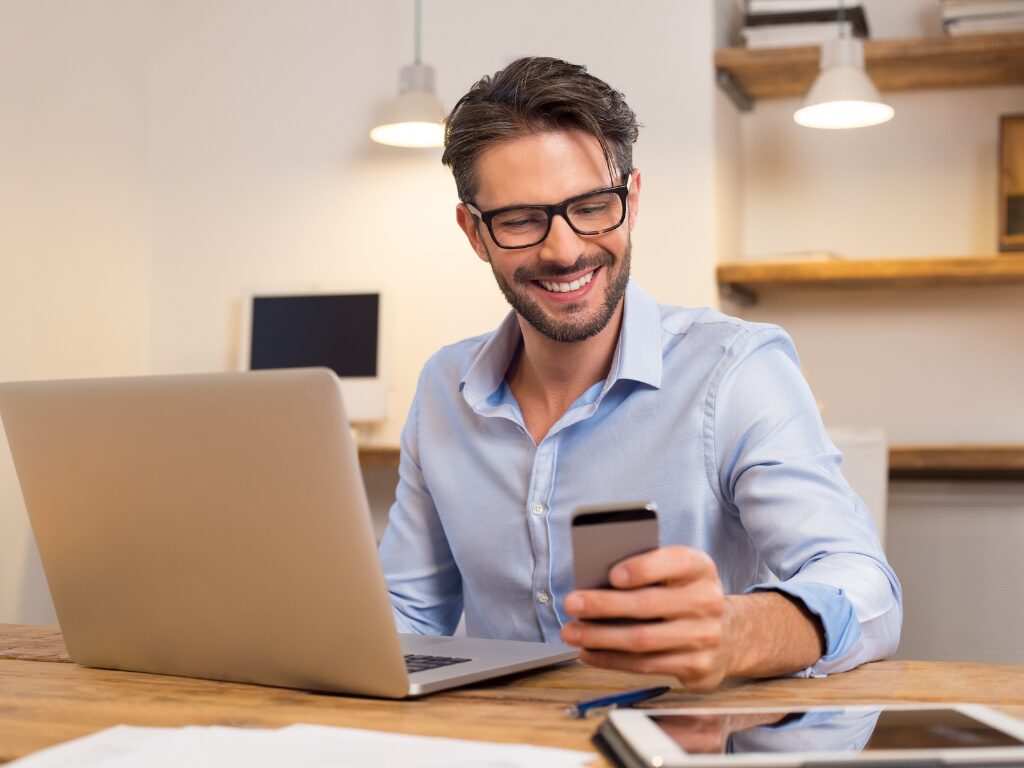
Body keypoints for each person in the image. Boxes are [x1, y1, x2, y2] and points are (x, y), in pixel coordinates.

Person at [378, 56, 901, 691]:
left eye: (593, 206)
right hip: (501, 747)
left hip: (686, 747)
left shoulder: (735, 371)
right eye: (520, 220)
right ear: (474, 232)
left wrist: (739, 631)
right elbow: (406, 619)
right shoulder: (443, 389)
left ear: (632, 200)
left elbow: (863, 584)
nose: (564, 249)